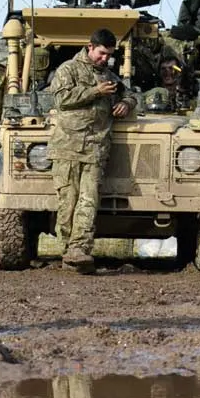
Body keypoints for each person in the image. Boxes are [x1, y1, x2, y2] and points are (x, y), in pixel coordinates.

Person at [46, 28, 134, 273]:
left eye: (109, 55)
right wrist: (96, 91)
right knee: (68, 203)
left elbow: (130, 94)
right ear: (90, 47)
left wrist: (126, 103)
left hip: (96, 148)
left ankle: (80, 250)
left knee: (89, 201)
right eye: (102, 53)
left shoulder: (109, 76)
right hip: (68, 148)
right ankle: (68, 250)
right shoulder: (68, 69)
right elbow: (61, 99)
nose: (104, 59)